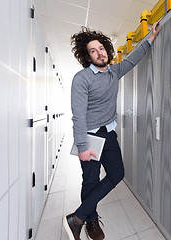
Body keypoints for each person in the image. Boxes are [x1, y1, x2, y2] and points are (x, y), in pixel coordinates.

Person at [64, 21, 161, 240]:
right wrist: (82, 146)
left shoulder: (113, 73)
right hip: (89, 137)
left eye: (101, 48)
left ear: (106, 50)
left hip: (108, 134)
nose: (99, 53)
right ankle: (90, 221)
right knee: (90, 182)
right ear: (87, 57)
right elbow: (78, 115)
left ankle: (77, 218)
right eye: (93, 51)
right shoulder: (82, 79)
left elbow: (132, 60)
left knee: (117, 174)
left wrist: (150, 39)